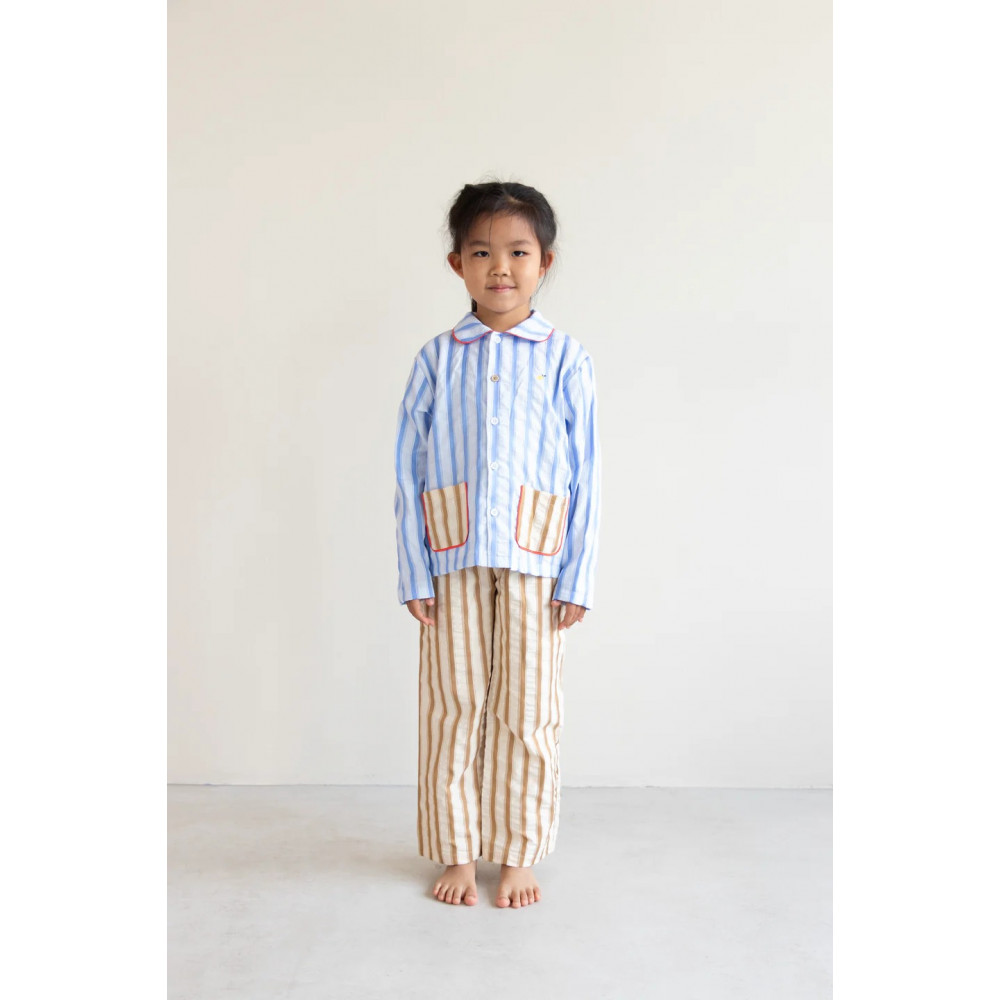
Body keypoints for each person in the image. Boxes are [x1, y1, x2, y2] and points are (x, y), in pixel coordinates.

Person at [393, 180, 601, 908]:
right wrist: (413, 570)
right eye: (482, 252)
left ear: (545, 262)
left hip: (538, 561)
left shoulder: (566, 358)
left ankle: (516, 854)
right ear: (457, 263)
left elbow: (588, 471)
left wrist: (578, 574)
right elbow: (407, 469)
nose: (501, 267)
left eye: (518, 252)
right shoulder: (437, 358)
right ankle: (456, 851)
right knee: (452, 706)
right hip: (450, 557)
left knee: (529, 712)